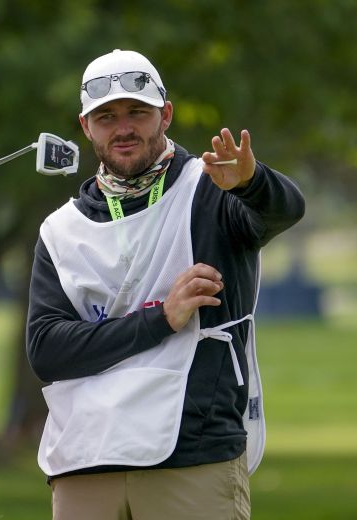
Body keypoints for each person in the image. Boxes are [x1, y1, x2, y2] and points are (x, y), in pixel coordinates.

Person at [26, 49, 305, 519]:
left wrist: (252, 182)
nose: (124, 127)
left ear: (166, 115)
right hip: (84, 456)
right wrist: (161, 318)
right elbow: (47, 350)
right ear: (85, 126)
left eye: (138, 111)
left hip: (192, 452)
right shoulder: (59, 229)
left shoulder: (212, 188)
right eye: (106, 116)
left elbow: (284, 210)